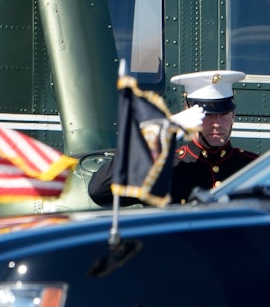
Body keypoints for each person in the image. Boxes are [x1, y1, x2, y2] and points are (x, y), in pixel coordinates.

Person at [89, 69, 258, 205]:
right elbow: (100, 191)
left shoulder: (253, 168)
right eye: (208, 114)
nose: (217, 123)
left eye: (224, 114)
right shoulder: (164, 168)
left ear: (233, 115)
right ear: (188, 111)